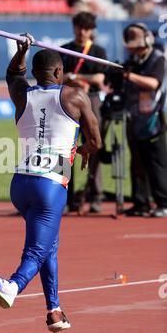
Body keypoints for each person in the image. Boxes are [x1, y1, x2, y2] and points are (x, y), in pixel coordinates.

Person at [0, 35, 102, 333]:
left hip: (21, 184)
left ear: (36, 73)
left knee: (48, 245)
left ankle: (55, 311)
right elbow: (96, 139)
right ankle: (12, 286)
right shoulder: (75, 96)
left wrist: (21, 51)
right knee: (36, 250)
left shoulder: (22, 95)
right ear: (59, 72)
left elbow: (12, 75)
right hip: (51, 184)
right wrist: (84, 150)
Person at [61, 12, 107, 214]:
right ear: (74, 27)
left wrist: (76, 76)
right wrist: (73, 79)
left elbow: (99, 78)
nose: (82, 31)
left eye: (86, 28)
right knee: (65, 148)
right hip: (69, 102)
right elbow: (58, 76)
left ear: (91, 30)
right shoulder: (64, 50)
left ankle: (95, 195)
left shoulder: (97, 50)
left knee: (94, 146)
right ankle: (65, 197)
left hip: (93, 101)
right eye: (79, 27)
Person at [123, 23, 167, 218]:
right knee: (137, 163)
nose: (133, 48)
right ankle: (141, 202)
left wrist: (129, 76)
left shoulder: (158, 59)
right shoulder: (132, 60)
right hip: (133, 117)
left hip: (153, 119)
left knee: (156, 163)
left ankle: (163, 202)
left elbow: (153, 83)